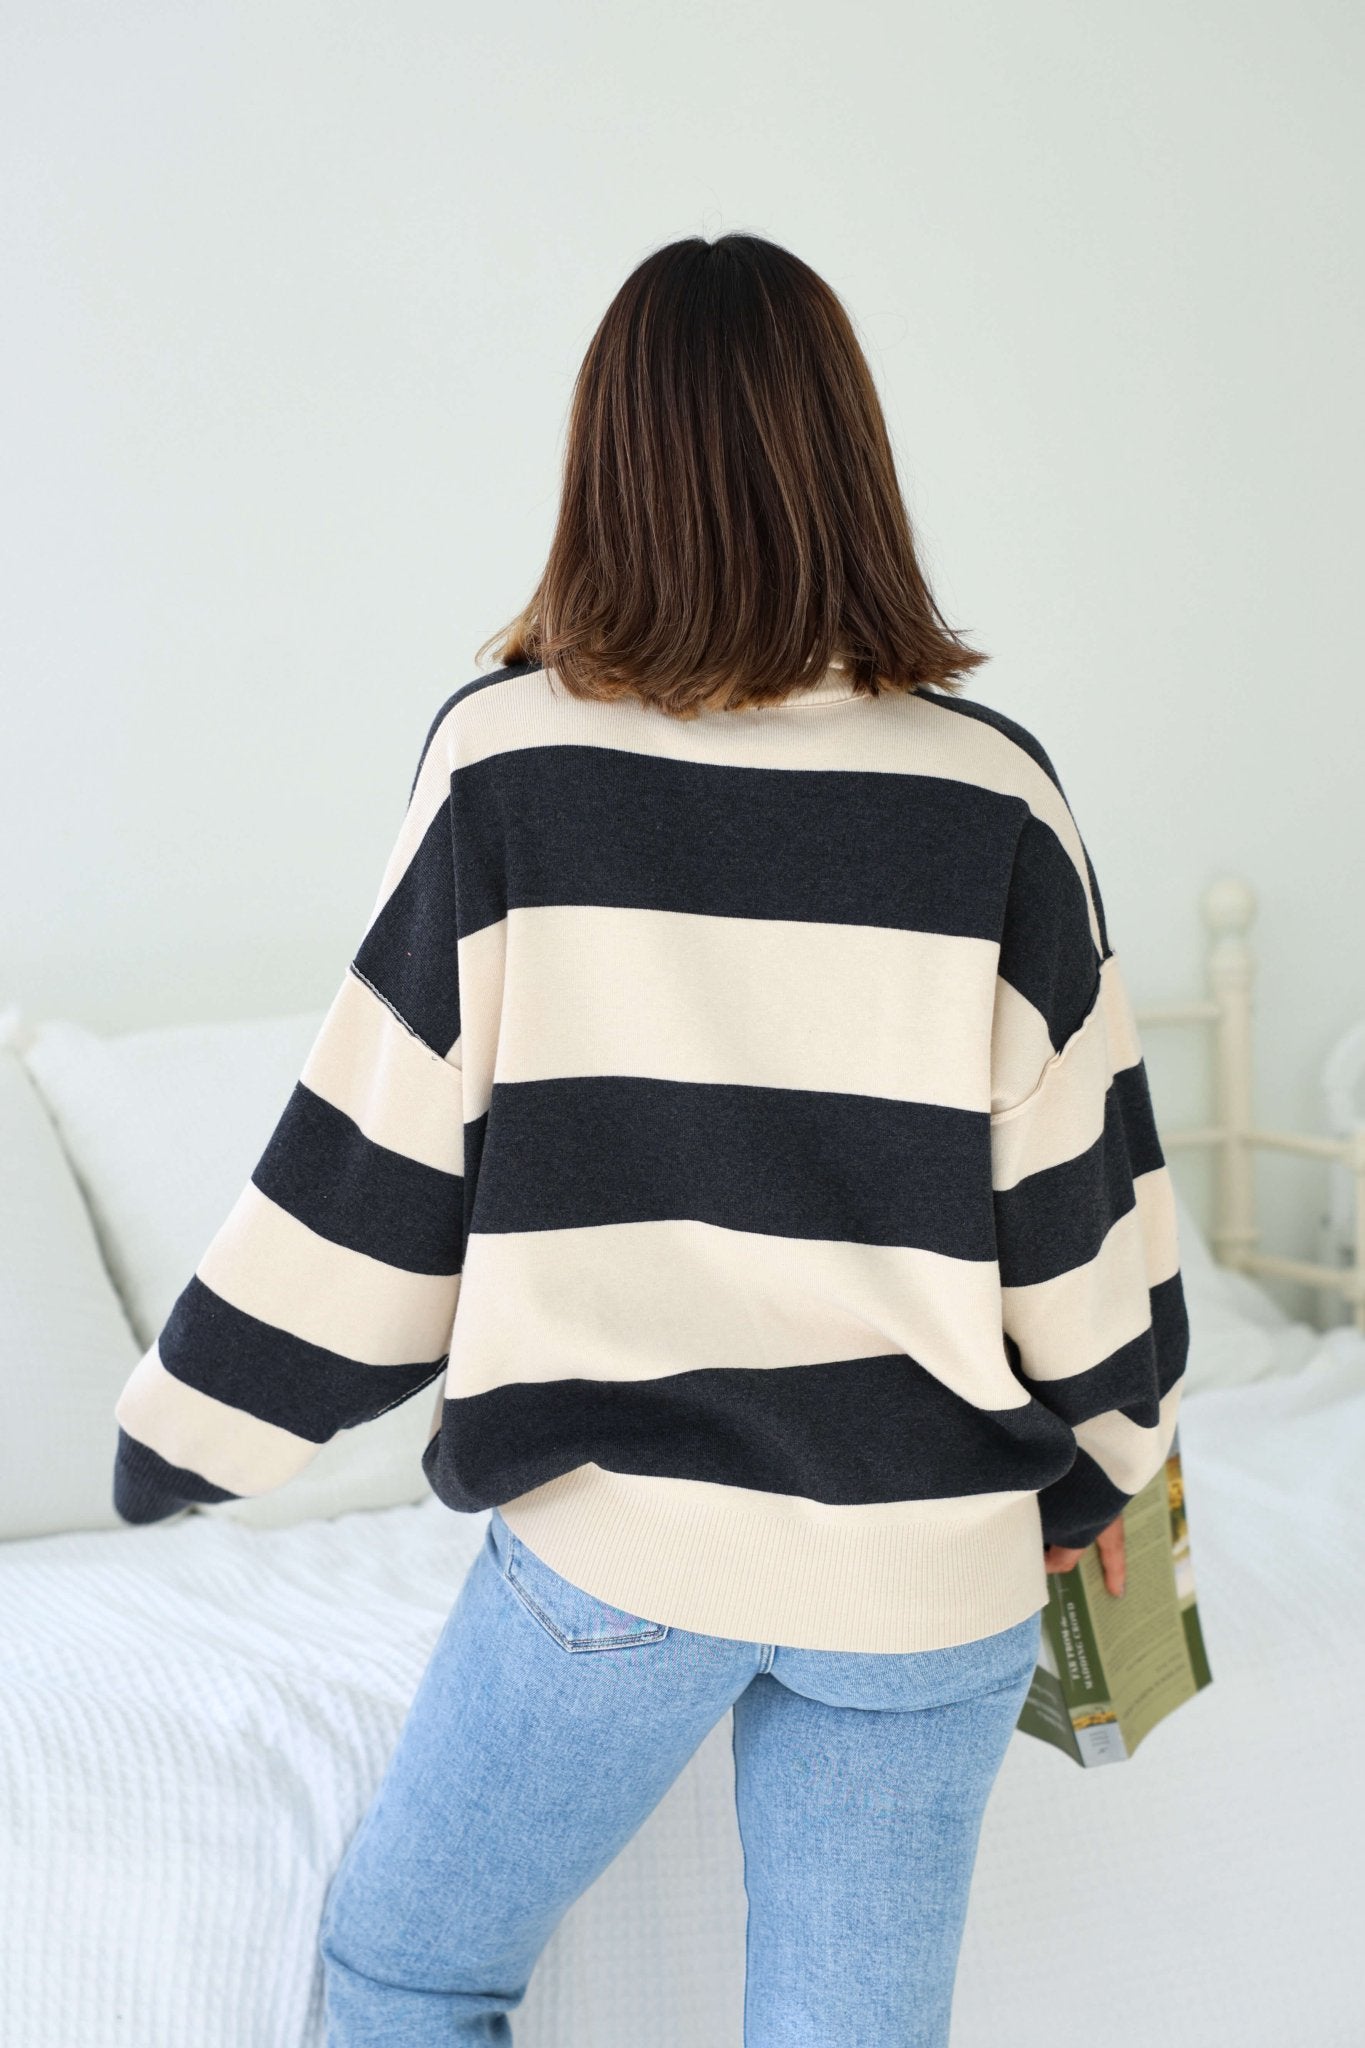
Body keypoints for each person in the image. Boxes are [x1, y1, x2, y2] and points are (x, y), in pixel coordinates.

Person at [111, 232, 1188, 2047]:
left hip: (620, 1560)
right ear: (849, 458)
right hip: (928, 1577)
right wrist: (1104, 1464)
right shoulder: (991, 793)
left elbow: (373, 1163)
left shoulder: (506, 766)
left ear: (605, 462)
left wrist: (194, 1435)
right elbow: (1085, 1219)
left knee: (406, 1974)